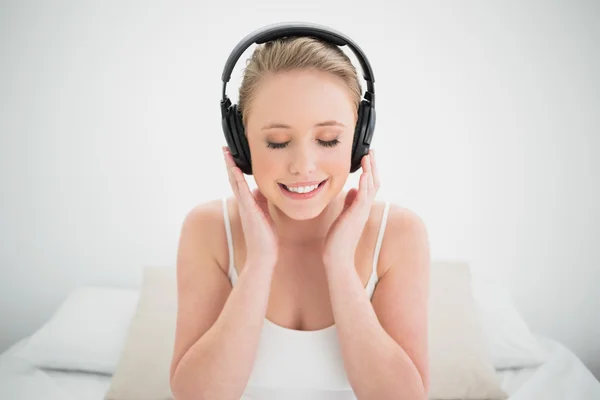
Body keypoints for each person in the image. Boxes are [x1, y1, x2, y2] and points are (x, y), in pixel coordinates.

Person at [169, 30, 430, 400]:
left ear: (359, 139)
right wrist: (260, 261)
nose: (303, 166)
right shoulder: (209, 230)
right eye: (277, 142)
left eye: (328, 140)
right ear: (242, 144)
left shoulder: (398, 235)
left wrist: (339, 263)